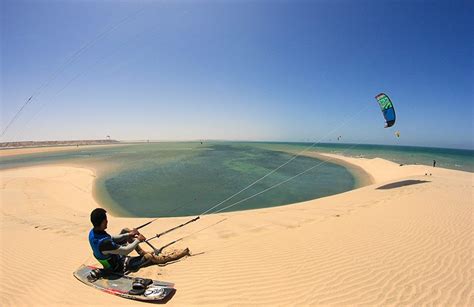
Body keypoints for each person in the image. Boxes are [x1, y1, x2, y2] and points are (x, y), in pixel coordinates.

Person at [89, 208, 190, 273]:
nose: (107, 221)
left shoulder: (93, 233)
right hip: (120, 265)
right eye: (105, 220)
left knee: (125, 230)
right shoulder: (105, 243)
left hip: (113, 254)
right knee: (149, 257)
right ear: (101, 222)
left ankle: (141, 251)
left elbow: (112, 238)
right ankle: (178, 254)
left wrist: (129, 234)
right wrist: (138, 240)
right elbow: (126, 251)